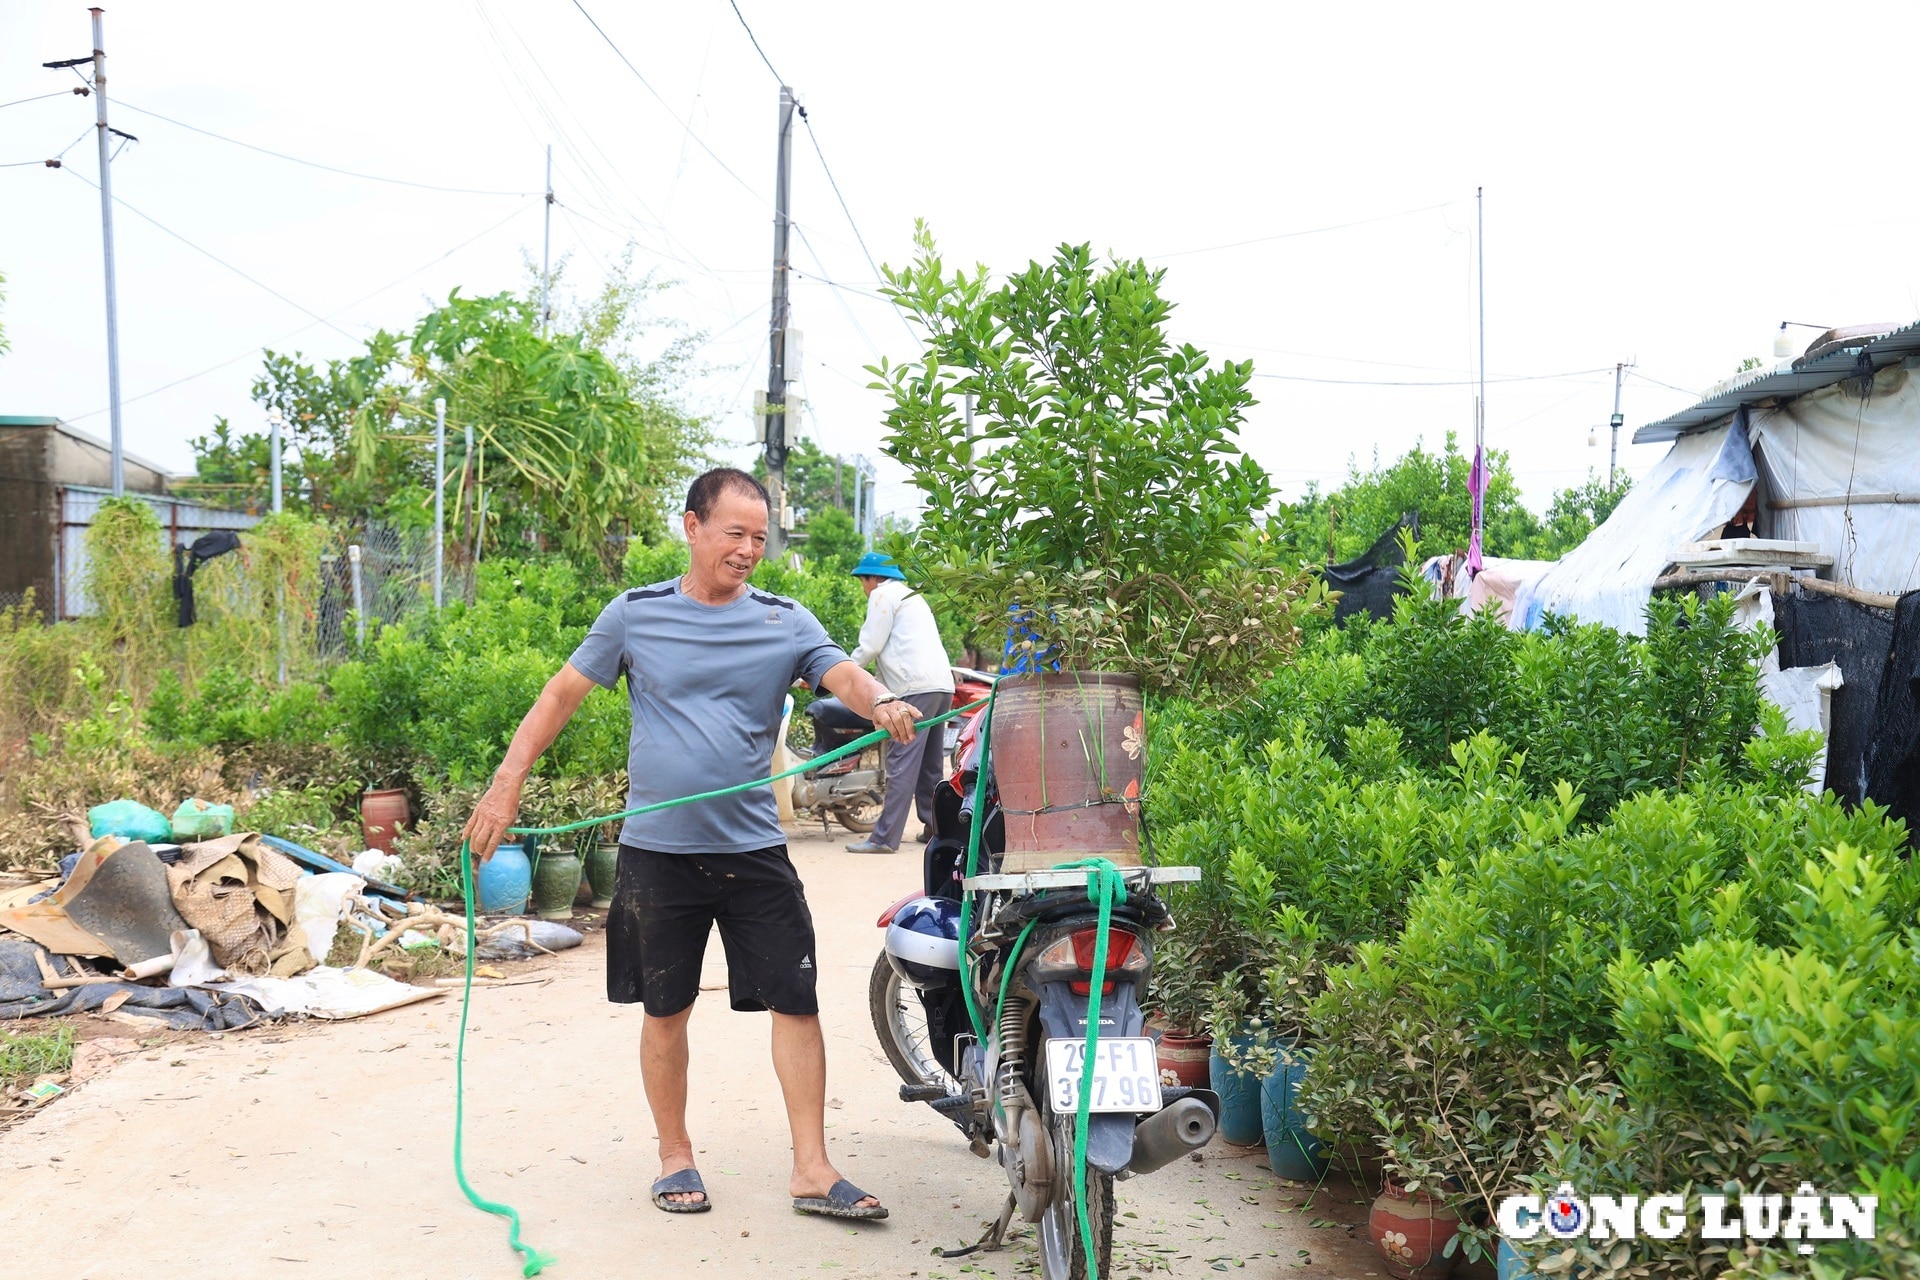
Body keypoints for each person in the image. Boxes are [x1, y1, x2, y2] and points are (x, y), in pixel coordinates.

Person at [461, 468, 924, 1222]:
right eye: (734, 534)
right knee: (665, 1007)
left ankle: (812, 1167)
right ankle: (675, 1155)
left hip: (753, 852)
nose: (747, 550)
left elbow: (842, 672)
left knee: (796, 1002)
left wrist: (883, 701)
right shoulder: (634, 615)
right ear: (692, 527)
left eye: (759, 539)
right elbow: (559, 695)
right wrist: (506, 783)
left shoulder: (784, 619)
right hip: (659, 852)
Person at [841, 552, 956, 855]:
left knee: (901, 763)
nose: (864, 588)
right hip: (940, 685)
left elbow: (870, 646)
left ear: (872, 578)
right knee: (930, 766)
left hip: (913, 687)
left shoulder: (882, 594)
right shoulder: (913, 596)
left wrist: (840, 673)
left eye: (862, 581)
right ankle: (936, 830)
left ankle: (883, 838)